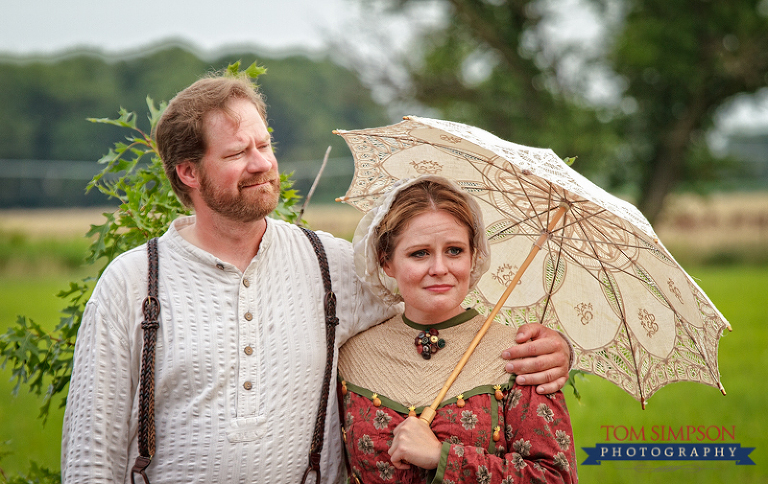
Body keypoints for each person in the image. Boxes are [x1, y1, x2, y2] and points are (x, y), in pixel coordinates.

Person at [61, 72, 573, 484]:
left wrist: (552, 348)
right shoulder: (132, 283)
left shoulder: (331, 264)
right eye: (238, 153)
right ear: (188, 173)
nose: (262, 164)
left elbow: (433, 307)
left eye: (264, 145)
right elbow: (91, 450)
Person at [338, 176, 578, 483]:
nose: (440, 268)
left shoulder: (519, 356)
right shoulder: (352, 354)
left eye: (454, 251)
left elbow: (555, 477)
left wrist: (443, 458)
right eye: (419, 253)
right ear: (386, 261)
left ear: (474, 255)